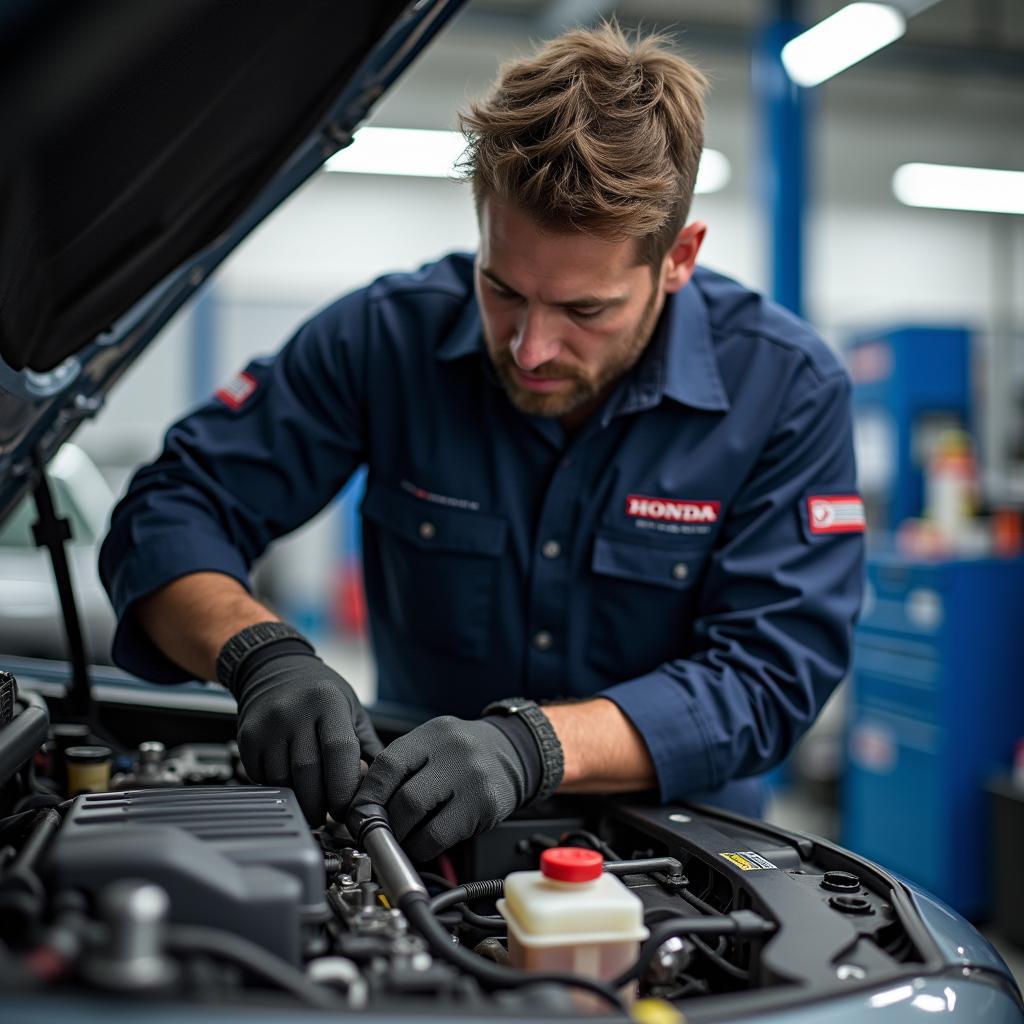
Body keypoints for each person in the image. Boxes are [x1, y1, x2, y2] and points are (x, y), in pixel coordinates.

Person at [99, 23, 864, 862]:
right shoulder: (385, 340)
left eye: (584, 310)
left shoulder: (785, 387)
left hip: (676, 854)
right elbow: (173, 506)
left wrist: (532, 747)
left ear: (678, 258)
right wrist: (258, 652)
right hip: (411, 834)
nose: (531, 349)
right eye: (502, 289)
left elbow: (769, 672)